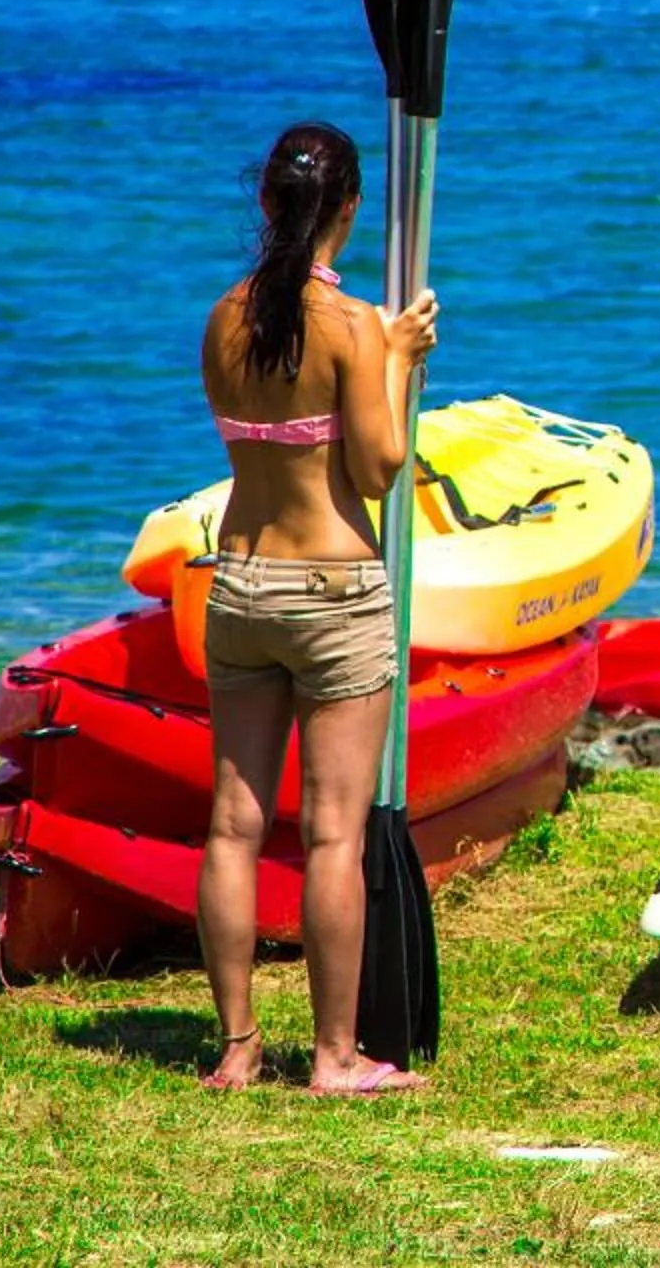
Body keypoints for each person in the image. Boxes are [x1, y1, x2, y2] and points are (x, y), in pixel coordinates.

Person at [195, 123, 438, 1096]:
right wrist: (401, 356)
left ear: (265, 203)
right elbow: (378, 470)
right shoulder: (351, 326)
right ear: (350, 208)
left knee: (232, 822)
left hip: (239, 577)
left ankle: (239, 1044)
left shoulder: (222, 316)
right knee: (332, 830)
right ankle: (334, 1056)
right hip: (333, 588)